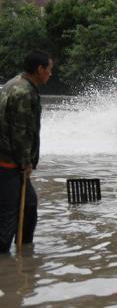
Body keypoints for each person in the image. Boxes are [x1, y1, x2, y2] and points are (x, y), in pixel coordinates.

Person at [0, 50, 53, 253]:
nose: (50, 74)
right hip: (9, 163)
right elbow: (20, 132)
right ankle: (6, 268)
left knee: (29, 205)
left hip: (9, 160)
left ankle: (25, 255)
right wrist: (25, 163)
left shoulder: (15, 83)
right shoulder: (23, 92)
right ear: (39, 69)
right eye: (49, 69)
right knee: (7, 221)